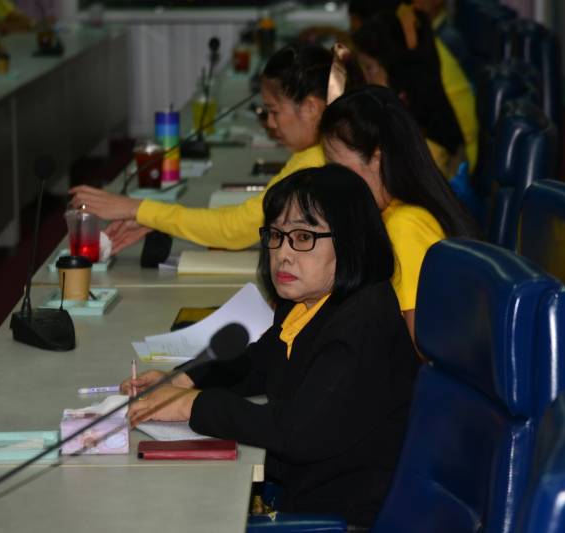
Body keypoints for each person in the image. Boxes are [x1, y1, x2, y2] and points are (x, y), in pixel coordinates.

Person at [122, 165, 419, 528]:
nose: (283, 254)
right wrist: (183, 380)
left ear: (351, 241)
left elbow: (294, 432)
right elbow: (259, 362)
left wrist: (191, 404)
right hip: (305, 492)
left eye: (304, 237)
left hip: (340, 517)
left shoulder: (361, 326)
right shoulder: (311, 301)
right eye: (276, 235)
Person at [69, 44, 363, 253]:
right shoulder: (321, 151)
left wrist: (137, 207)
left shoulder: (314, 163)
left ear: (311, 108)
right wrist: (154, 218)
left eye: (274, 111)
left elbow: (234, 229)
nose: (270, 123)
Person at [319, 85, 479, 342]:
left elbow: (420, 344)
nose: (330, 180)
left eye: (336, 167)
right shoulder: (398, 212)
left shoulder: (405, 226)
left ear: (376, 159)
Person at [349, 0, 479, 173]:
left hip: (459, 164)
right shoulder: (417, 49)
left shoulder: (425, 145)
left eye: (369, 68)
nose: (364, 78)